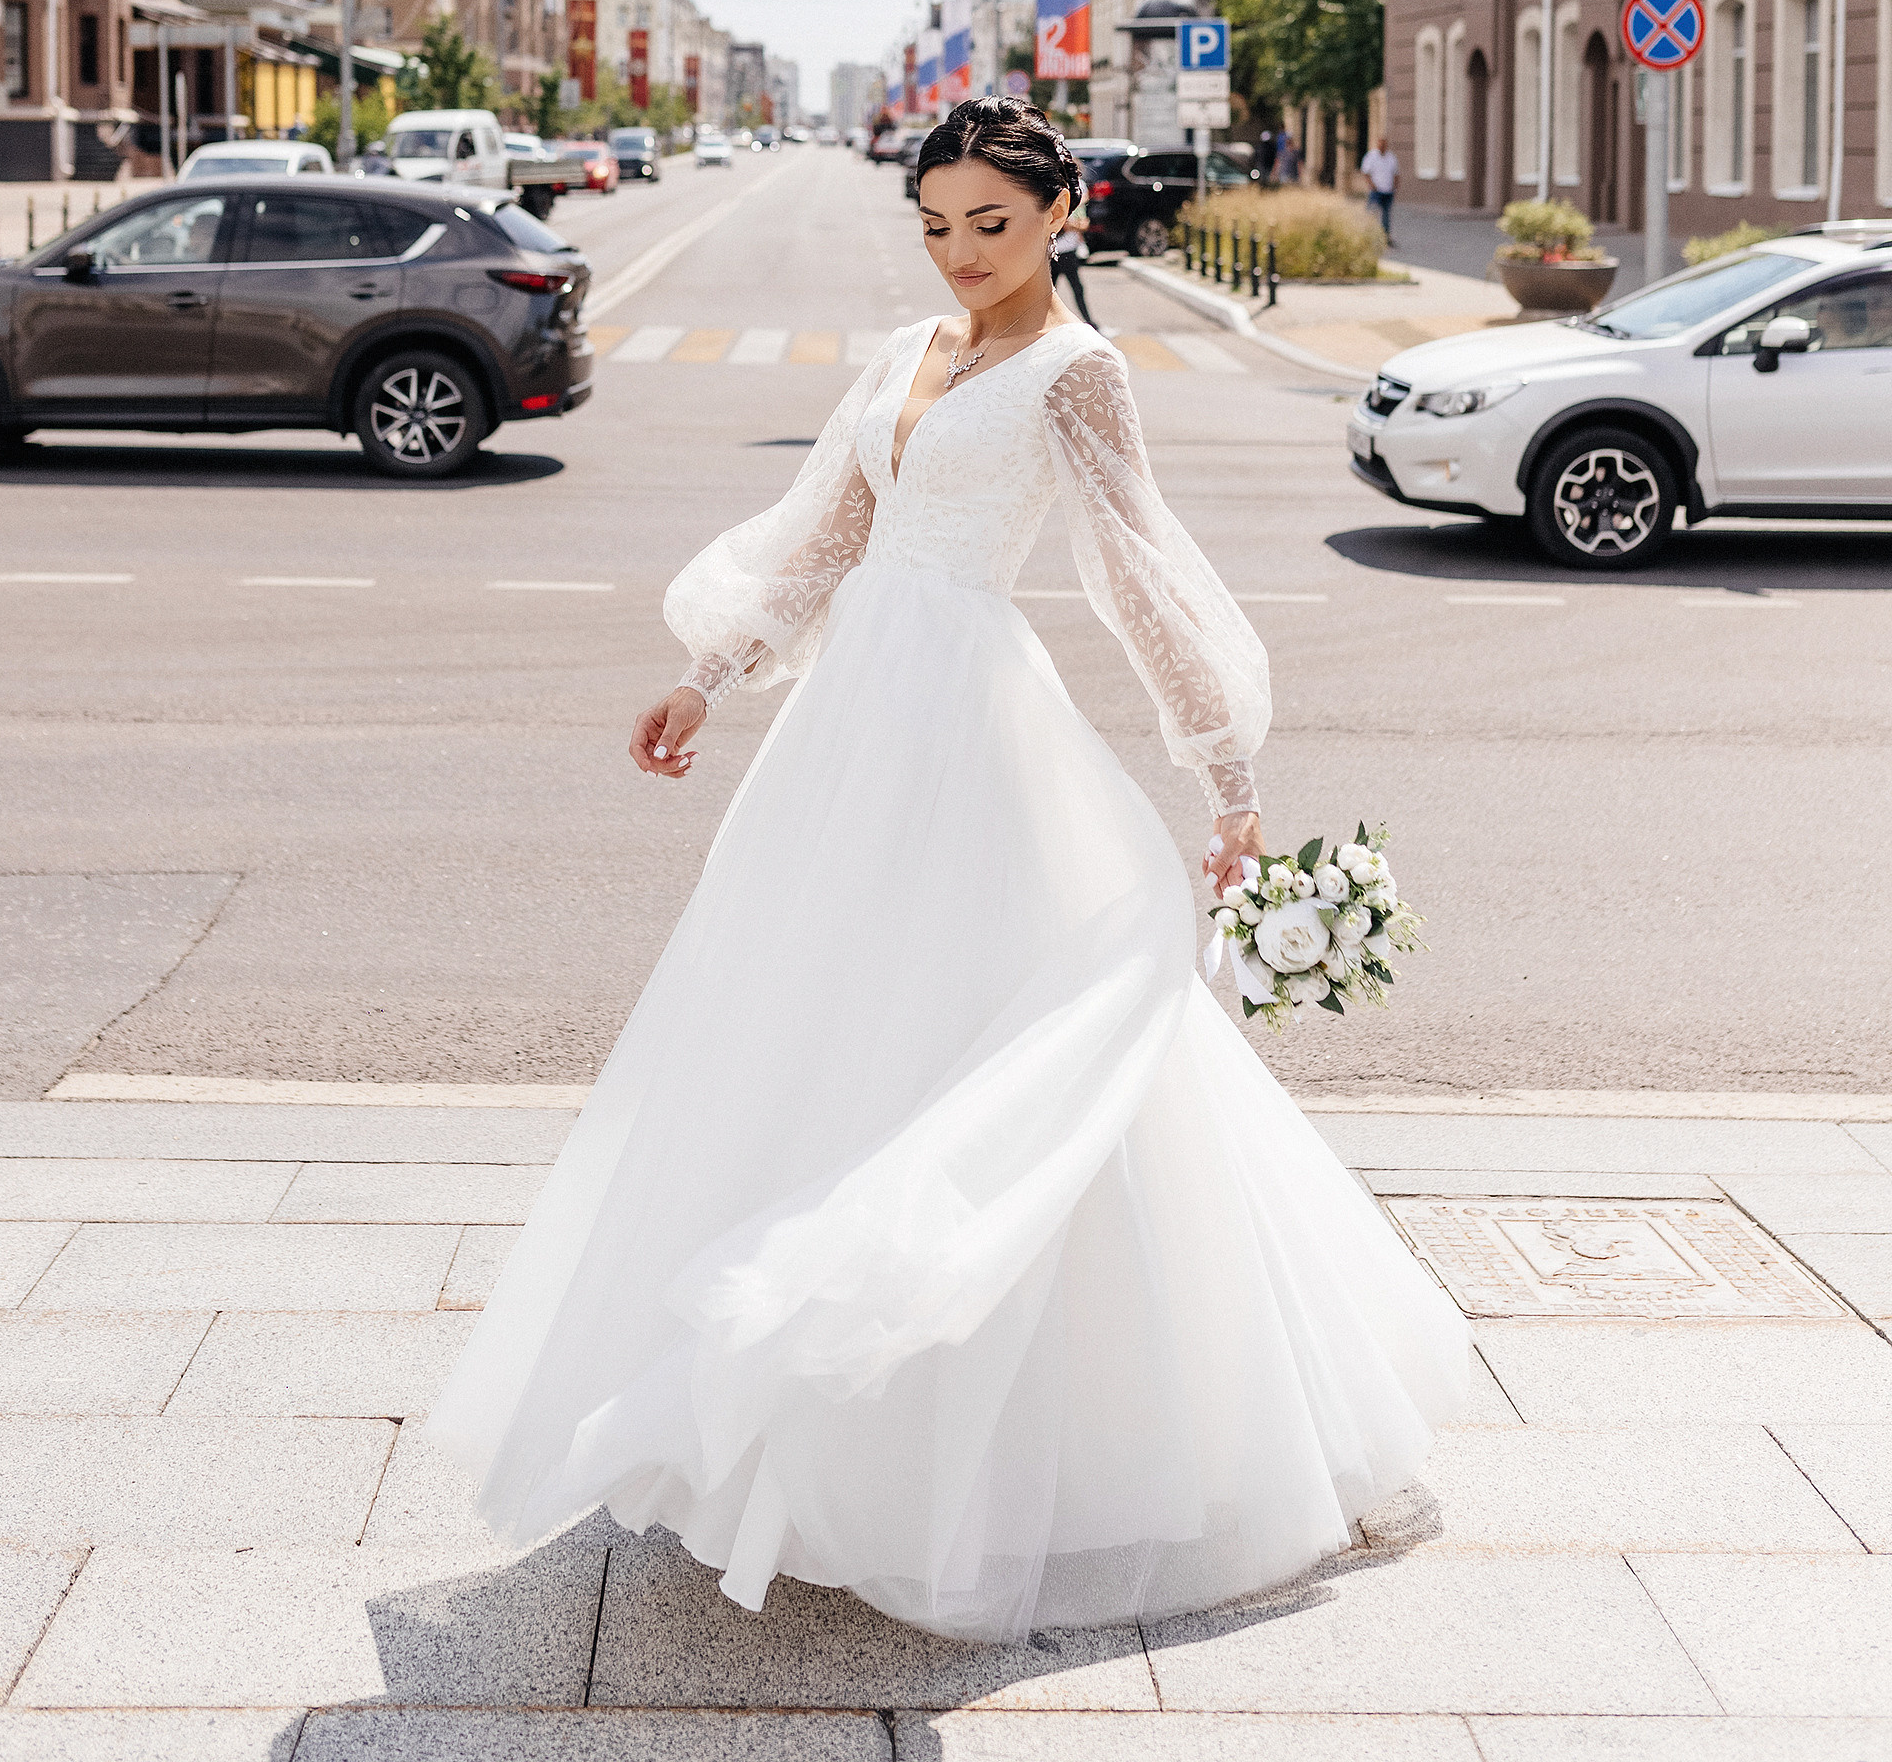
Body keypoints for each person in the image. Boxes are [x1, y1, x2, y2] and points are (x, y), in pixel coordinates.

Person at [427, 94, 1466, 1639]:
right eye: (936, 225)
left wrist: (1228, 782)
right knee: (813, 1029)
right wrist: (709, 677)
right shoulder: (897, 356)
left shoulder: (1082, 370)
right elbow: (828, 538)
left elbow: (1140, 577)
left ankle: (1038, 1448)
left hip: (977, 721)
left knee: (1004, 1034)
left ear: (1062, 216)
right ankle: (788, 1443)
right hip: (848, 732)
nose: (961, 253)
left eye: (991, 223)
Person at [1048, 202, 1097, 326]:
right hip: (1053, 253)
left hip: (1069, 252)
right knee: (1050, 292)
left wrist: (1070, 225)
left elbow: (1084, 224)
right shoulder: (1055, 201)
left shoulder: (1075, 204)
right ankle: (1047, 324)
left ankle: (1089, 321)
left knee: (1077, 288)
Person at [1360, 136, 1399, 246]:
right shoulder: (1371, 156)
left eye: (1384, 144)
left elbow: (1396, 173)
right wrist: (1372, 186)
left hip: (1388, 191)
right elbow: (1366, 173)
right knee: (1371, 213)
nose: (1382, 146)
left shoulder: (1391, 157)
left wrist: (1394, 187)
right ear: (1377, 144)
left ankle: (1385, 238)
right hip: (1376, 191)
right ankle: (1366, 237)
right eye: (1381, 144)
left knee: (1386, 216)